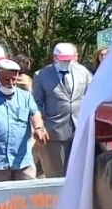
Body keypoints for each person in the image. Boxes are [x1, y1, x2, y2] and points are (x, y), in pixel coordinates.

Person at [33, 43, 92, 178]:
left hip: (80, 129)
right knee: (56, 175)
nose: (66, 62)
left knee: (80, 174)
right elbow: (36, 103)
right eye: (63, 59)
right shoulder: (41, 75)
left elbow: (92, 95)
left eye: (69, 59)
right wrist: (39, 126)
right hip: (54, 131)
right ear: (55, 58)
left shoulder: (83, 72)